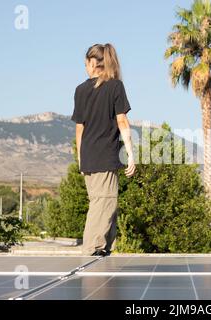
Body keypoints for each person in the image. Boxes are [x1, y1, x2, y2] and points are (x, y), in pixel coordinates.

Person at [70, 43, 136, 257]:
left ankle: (104, 249)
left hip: (89, 156)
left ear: (92, 62)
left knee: (103, 202)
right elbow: (123, 122)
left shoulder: (80, 90)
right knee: (104, 202)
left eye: (86, 64)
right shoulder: (115, 86)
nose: (85, 68)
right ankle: (92, 249)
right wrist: (131, 154)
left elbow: (80, 129)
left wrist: (81, 159)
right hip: (104, 155)